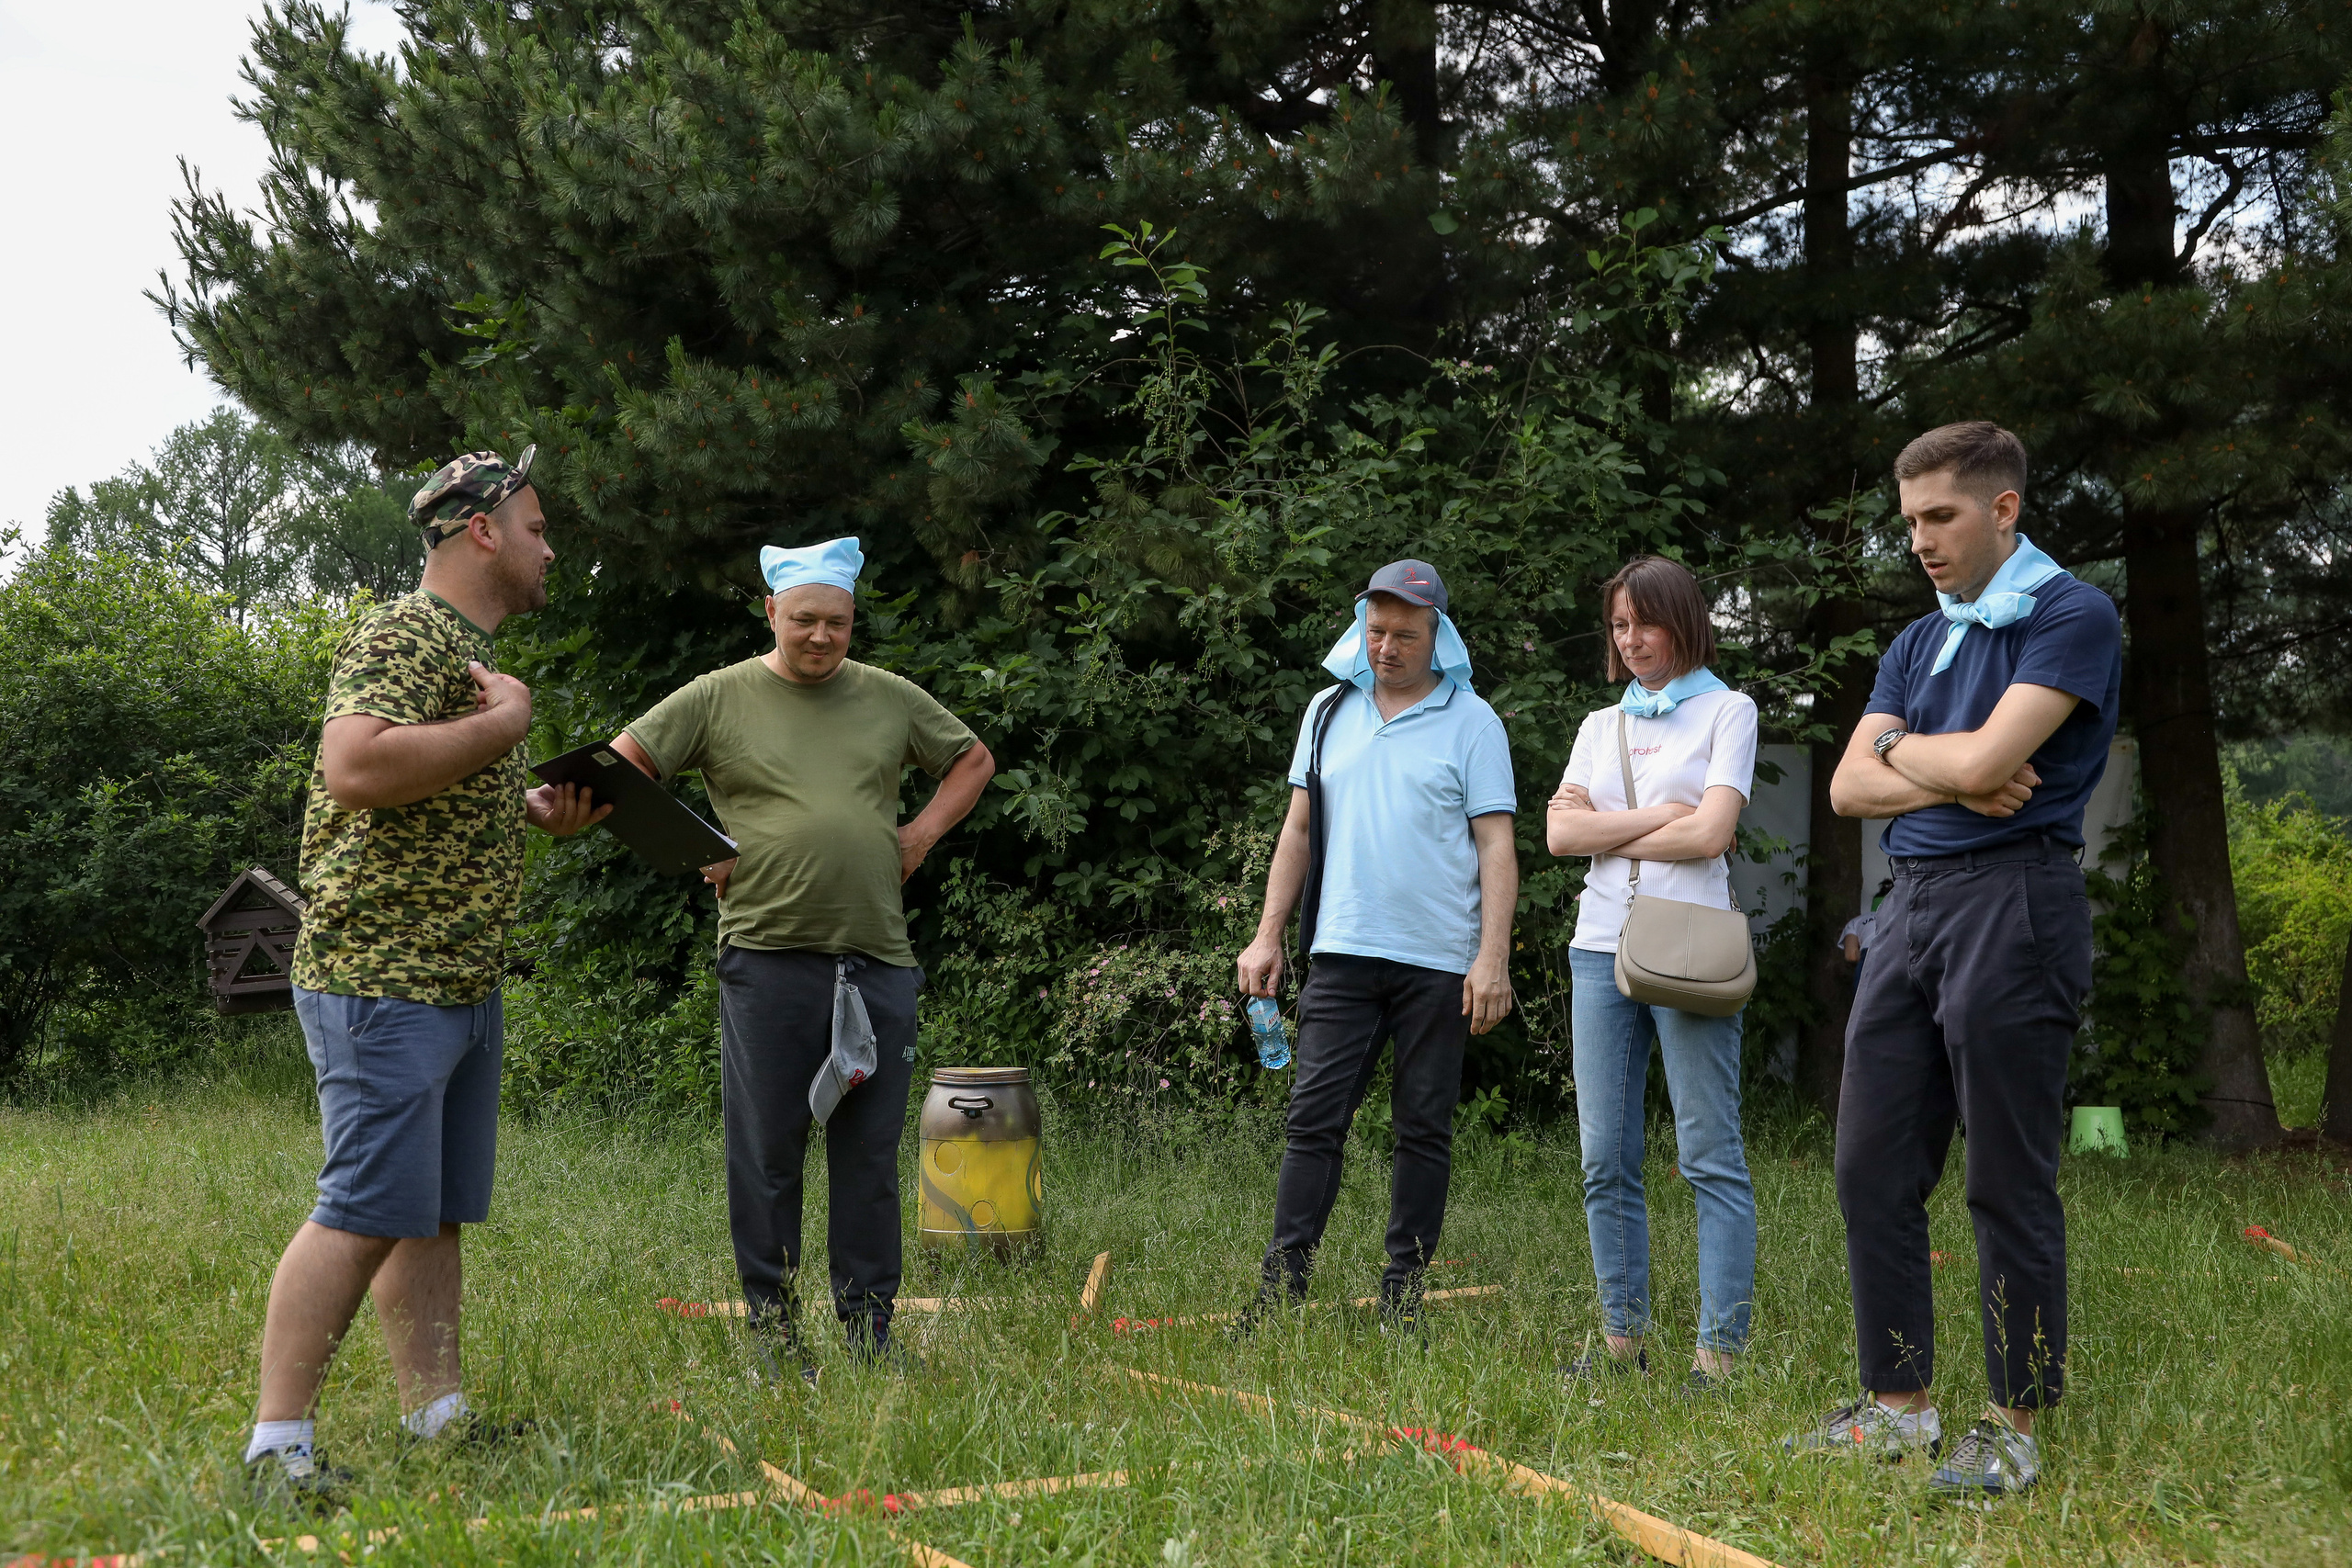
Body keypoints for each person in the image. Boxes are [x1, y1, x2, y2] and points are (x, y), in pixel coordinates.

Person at [245, 448, 611, 1507]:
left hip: (454, 978)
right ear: (483, 530)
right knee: (362, 1207)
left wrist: (523, 804)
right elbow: (356, 766)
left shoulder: (464, 650)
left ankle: (436, 1419)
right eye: (538, 528)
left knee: (430, 1211)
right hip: (382, 977)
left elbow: (422, 785)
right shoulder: (404, 632)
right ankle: (276, 1448)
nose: (550, 549)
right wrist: (506, 726)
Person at [1783, 421, 2120, 1500]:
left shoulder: (2069, 613)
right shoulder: (1919, 638)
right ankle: (1899, 1410)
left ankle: (2012, 1426)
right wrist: (1940, 766)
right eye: (1909, 522)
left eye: (1941, 517)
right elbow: (1848, 787)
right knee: (1869, 1165)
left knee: (2004, 1177)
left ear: (2003, 509)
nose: (1920, 541)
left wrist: (1908, 754)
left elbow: (1983, 763)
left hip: (2014, 901)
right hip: (1909, 906)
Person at [610, 536, 994, 1383]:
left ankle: (869, 1332)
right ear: (771, 612)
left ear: (853, 620)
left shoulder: (888, 697)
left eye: (838, 623)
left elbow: (973, 759)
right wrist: (693, 849)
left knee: (869, 1159)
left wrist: (920, 835)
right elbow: (621, 769)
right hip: (768, 959)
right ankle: (774, 1336)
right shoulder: (717, 696)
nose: (821, 636)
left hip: (879, 959)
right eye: (805, 620)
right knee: (768, 1153)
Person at [1232, 559, 1519, 1334]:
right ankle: (1280, 1292)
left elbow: (1496, 844)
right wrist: (1267, 934)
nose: (1387, 647)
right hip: (1342, 950)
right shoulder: (1328, 710)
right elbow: (1298, 829)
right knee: (1313, 1121)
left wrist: (1492, 957)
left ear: (1438, 635)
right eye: (1376, 630)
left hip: (1440, 961)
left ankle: (1402, 1300)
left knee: (1422, 1129)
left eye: (1406, 635)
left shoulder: (1474, 722)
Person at [1547, 555, 1759, 1392]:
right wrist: (1663, 815)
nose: (1631, 640)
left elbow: (1710, 835)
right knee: (1605, 1154)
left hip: (1690, 944)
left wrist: (1612, 827)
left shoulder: (1728, 710)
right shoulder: (1600, 724)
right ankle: (1621, 1345)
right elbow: (1560, 836)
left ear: (1685, 620)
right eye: (1619, 625)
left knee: (1709, 1152)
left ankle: (1718, 1356)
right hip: (1599, 944)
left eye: (1646, 622)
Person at [1840, 879, 1896, 967]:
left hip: (1868, 955)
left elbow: (1851, 955)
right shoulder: (1905, 918)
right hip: (1897, 956)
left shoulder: (1857, 921)